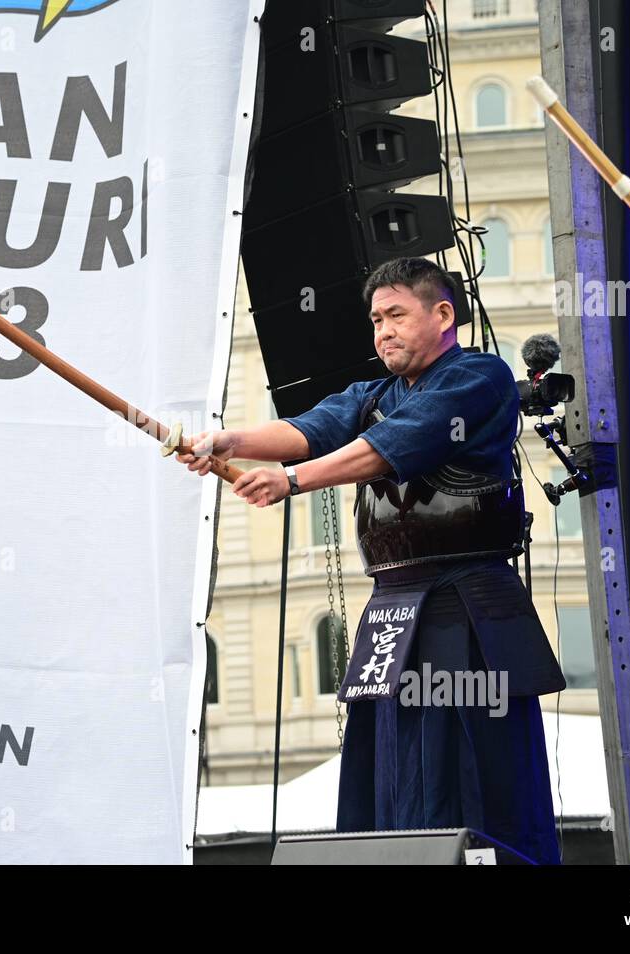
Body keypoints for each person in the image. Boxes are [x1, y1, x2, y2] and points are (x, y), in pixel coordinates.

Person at [178, 257, 565, 864]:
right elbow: (312, 427)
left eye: (396, 315)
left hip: (462, 604)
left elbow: (391, 447)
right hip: (392, 609)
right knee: (385, 774)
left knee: (464, 773)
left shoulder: (479, 378)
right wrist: (233, 442)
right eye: (375, 319)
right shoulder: (373, 394)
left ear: (443, 315)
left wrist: (291, 481)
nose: (382, 330)